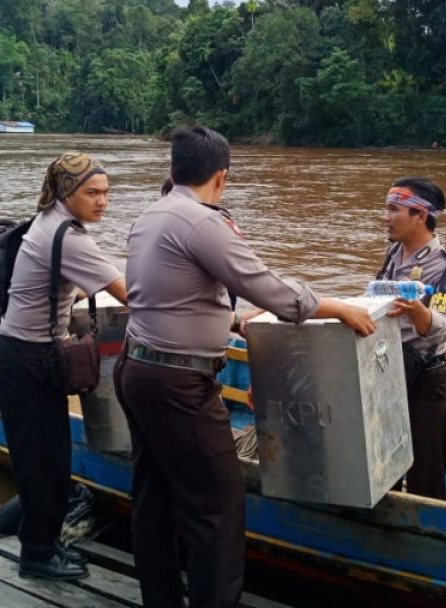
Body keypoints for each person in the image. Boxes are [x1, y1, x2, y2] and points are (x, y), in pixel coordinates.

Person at [117, 125, 376, 608]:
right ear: (221, 177)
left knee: (154, 494)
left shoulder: (151, 216)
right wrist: (337, 306)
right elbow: (267, 287)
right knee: (217, 504)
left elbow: (165, 297)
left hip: (139, 369)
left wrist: (230, 321)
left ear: (173, 171)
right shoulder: (201, 222)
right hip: (178, 385)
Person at [0, 152, 128, 581]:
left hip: (25, 354)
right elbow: (132, 295)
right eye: (92, 192)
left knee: (48, 457)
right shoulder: (68, 237)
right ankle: (36, 556)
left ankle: (44, 545)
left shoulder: (50, 219)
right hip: (26, 358)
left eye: (106, 192)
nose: (102, 201)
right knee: (41, 461)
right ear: (67, 192)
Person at [377, 177, 446, 500]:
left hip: (428, 381)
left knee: (425, 480)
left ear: (420, 215)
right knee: (382, 467)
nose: (385, 217)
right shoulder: (392, 256)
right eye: (386, 209)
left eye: (393, 209)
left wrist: (419, 313)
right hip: (390, 372)